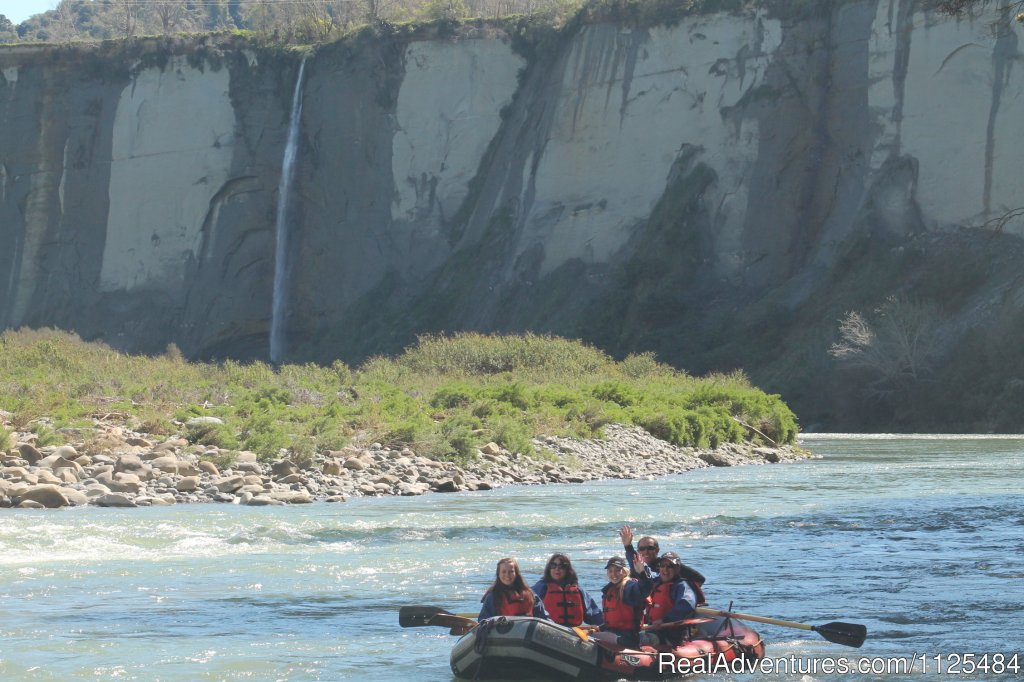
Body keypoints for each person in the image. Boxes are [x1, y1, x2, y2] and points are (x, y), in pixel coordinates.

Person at [620, 524, 708, 603]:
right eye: (642, 549)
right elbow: (633, 559)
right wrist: (628, 546)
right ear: (638, 552)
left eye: (650, 548)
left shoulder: (670, 565)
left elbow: (699, 579)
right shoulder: (637, 567)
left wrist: (679, 595)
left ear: (657, 550)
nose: (646, 552)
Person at [590, 555, 652, 648]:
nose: (613, 574)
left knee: (590, 638)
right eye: (610, 571)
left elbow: (644, 589)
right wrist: (601, 627)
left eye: (617, 570)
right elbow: (614, 621)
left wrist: (642, 573)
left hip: (628, 637)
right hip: (614, 633)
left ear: (624, 572)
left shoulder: (629, 587)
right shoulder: (610, 589)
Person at [638, 552, 698, 647]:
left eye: (670, 566)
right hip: (652, 630)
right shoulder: (656, 582)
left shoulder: (682, 587)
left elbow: (687, 604)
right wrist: (628, 547)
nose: (665, 569)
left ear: (677, 568)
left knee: (635, 640)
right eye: (662, 566)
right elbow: (643, 579)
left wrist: (664, 620)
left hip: (670, 636)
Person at [532, 553, 603, 627]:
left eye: (561, 566)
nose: (557, 569)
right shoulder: (541, 587)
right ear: (549, 569)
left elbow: (593, 613)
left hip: (571, 632)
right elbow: (528, 602)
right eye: (553, 566)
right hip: (548, 628)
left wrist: (603, 626)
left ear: (567, 569)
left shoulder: (577, 590)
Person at [478, 557, 548, 621]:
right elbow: (483, 621)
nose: (507, 575)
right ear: (498, 574)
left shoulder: (530, 594)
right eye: (503, 572)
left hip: (528, 633)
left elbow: (542, 618)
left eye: (511, 572)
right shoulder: (492, 597)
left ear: (516, 574)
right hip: (502, 634)